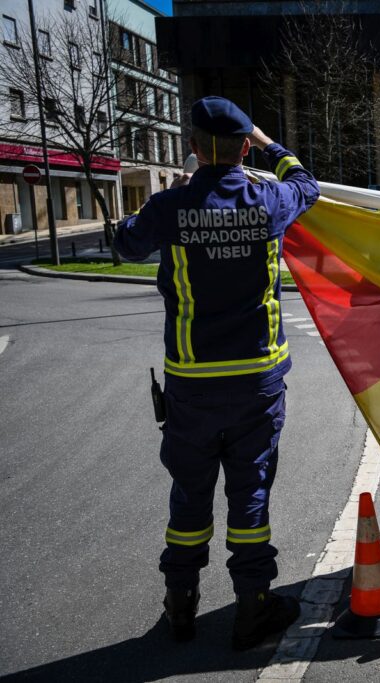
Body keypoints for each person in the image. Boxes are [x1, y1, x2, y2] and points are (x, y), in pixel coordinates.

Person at [114, 96, 320, 648]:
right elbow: (306, 183)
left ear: (192, 147)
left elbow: (125, 244)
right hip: (257, 380)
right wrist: (270, 143)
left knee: (190, 492)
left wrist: (168, 199)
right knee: (250, 493)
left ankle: (180, 602)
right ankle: (253, 606)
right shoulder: (269, 200)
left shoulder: (169, 206)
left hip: (193, 383)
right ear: (244, 148)